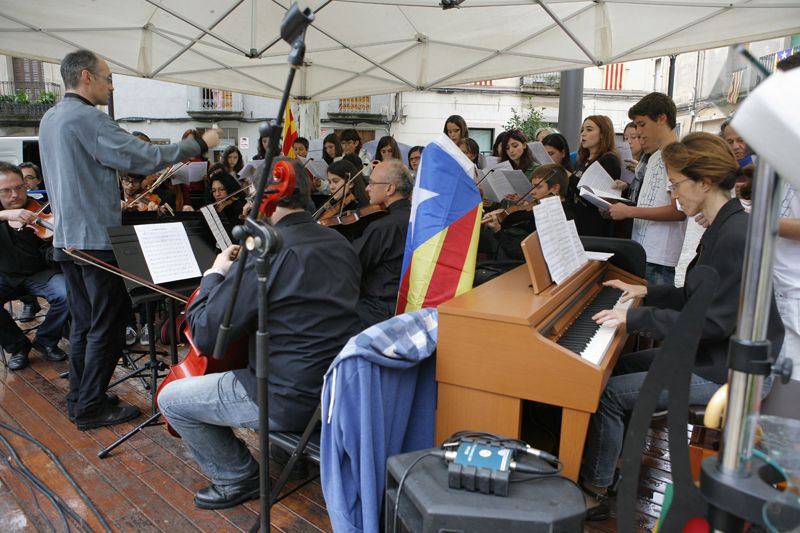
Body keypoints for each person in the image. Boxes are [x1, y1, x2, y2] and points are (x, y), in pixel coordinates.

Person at [580, 132, 785, 520]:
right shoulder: (726, 225)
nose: (674, 195)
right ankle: (618, 462)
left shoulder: (733, 235)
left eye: (676, 184)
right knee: (620, 368)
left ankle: (595, 489)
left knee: (608, 394)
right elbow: (696, 296)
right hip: (713, 353)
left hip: (726, 368)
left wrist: (634, 316)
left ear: (704, 182)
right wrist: (643, 290)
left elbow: (708, 322)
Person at [158, 158, 361, 510]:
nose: (250, 206)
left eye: (253, 197)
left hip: (285, 397)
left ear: (271, 198)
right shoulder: (339, 242)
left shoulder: (269, 252)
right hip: (336, 389)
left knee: (171, 399)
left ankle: (238, 476)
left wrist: (216, 274)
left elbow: (206, 333)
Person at [38, 49, 220, 430]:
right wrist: (198, 145)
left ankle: (81, 396)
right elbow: (144, 157)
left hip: (67, 239)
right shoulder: (88, 118)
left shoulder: (51, 117)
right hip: (94, 241)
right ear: (86, 76)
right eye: (107, 77)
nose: (111, 84)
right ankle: (89, 408)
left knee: (85, 323)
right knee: (108, 323)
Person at [607, 93, 687, 286]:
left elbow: (678, 211)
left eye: (642, 124)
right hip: (644, 251)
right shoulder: (655, 156)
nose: (639, 131)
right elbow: (651, 201)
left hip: (659, 257)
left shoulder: (676, 154)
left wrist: (629, 211)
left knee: (653, 311)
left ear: (662, 118)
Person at [0, 162, 69, 371]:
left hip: (40, 274)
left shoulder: (40, 209)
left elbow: (50, 253)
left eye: (20, 187)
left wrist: (53, 243)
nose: (15, 195)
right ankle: (18, 347)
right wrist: (5, 215)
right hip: (5, 276)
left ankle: (46, 340)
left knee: (67, 294)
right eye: (6, 190)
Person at [351, 159, 413, 328]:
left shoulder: (383, 227)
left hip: (377, 310)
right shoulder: (417, 218)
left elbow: (352, 264)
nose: (366, 188)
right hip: (408, 306)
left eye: (371, 183)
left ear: (390, 188)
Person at [482, 164, 572, 261]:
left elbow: (522, 255)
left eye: (538, 187)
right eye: (533, 186)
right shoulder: (540, 209)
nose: (532, 192)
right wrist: (501, 216)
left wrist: (498, 232)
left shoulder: (558, 216)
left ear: (555, 189)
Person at [568, 115, 621, 238]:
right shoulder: (583, 160)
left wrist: (569, 177)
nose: (583, 134)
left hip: (595, 227)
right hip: (578, 223)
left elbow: (596, 196)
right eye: (582, 130)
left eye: (589, 129)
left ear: (603, 134)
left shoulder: (608, 160)